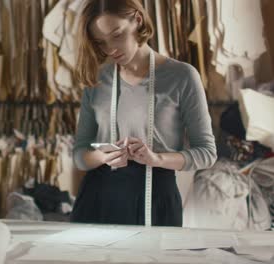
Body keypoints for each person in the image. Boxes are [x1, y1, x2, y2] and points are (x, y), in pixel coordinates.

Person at [71, 0, 217, 226]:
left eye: (117, 34)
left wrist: (157, 159)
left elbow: (207, 153)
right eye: (101, 42)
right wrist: (102, 156)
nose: (110, 49)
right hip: (97, 197)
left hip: (156, 197)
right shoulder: (97, 80)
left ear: (137, 20)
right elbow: (79, 154)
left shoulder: (182, 76)